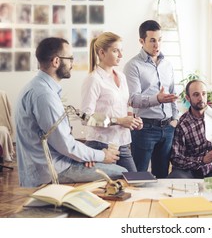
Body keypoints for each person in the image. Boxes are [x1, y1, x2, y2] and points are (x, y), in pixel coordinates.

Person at [15, 37, 126, 187]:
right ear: (56, 62)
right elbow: (66, 144)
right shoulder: (44, 96)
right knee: (123, 173)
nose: (73, 64)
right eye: (70, 59)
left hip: (51, 163)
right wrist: (101, 155)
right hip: (53, 170)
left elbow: (60, 142)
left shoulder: (37, 88)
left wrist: (86, 156)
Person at [123, 20, 179, 178]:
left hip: (167, 128)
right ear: (142, 41)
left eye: (160, 39)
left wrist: (175, 119)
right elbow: (133, 99)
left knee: (162, 176)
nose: (157, 45)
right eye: (152, 40)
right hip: (144, 129)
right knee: (139, 175)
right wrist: (157, 99)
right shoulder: (133, 66)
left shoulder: (167, 64)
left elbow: (173, 93)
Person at [81, 32, 143, 172]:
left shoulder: (121, 76)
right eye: (115, 51)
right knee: (104, 189)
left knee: (134, 183)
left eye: (121, 50)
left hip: (123, 143)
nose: (121, 55)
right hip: (100, 145)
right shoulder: (93, 80)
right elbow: (85, 118)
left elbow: (124, 106)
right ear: (102, 53)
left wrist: (132, 121)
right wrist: (119, 120)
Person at [168, 80, 212, 179]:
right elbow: (176, 159)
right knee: (175, 178)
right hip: (190, 171)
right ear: (188, 98)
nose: (201, 98)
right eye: (196, 95)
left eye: (204, 94)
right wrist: (202, 160)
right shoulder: (183, 124)